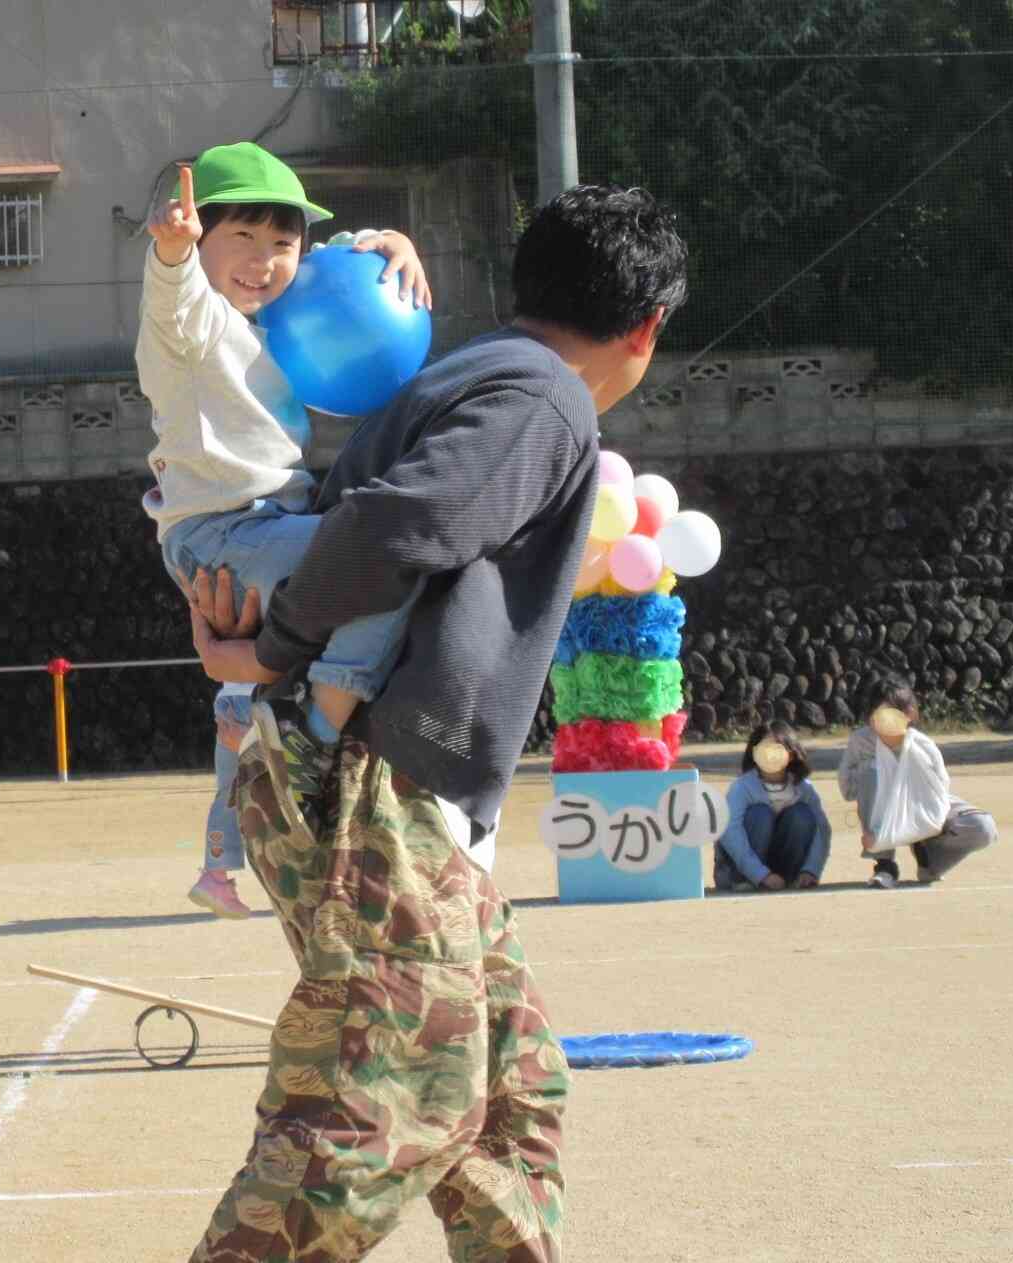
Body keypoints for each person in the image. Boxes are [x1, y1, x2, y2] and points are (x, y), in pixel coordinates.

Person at [182, 184, 688, 1262]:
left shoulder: (475, 371)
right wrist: (274, 652)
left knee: (516, 1085)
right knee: (384, 1106)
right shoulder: (545, 400)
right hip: (377, 782)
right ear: (644, 330)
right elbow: (397, 523)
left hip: (381, 780)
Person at [136, 140, 431, 919]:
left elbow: (336, 262)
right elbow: (171, 297)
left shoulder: (278, 311)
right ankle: (318, 730)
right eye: (242, 239)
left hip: (263, 525)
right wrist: (172, 255)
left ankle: (219, 858)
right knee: (381, 559)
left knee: (245, 689)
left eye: (281, 242)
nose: (264, 261)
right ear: (203, 240)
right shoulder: (193, 326)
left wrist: (388, 244)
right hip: (223, 533)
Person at [839, 679, 997, 889]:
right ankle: (885, 864)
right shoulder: (862, 741)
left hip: (924, 805)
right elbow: (849, 788)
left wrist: (922, 822)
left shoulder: (922, 745)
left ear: (910, 714)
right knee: (870, 772)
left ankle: (929, 860)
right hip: (882, 813)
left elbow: (940, 789)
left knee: (983, 828)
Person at [712, 721, 831, 891]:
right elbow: (730, 832)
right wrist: (760, 874)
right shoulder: (742, 787)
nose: (770, 755)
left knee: (802, 815)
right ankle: (743, 879)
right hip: (741, 871)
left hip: (781, 869)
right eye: (764, 749)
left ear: (791, 754)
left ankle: (788, 877)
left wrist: (810, 870)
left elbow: (821, 830)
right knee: (760, 814)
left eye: (777, 749)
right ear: (754, 753)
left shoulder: (804, 788)